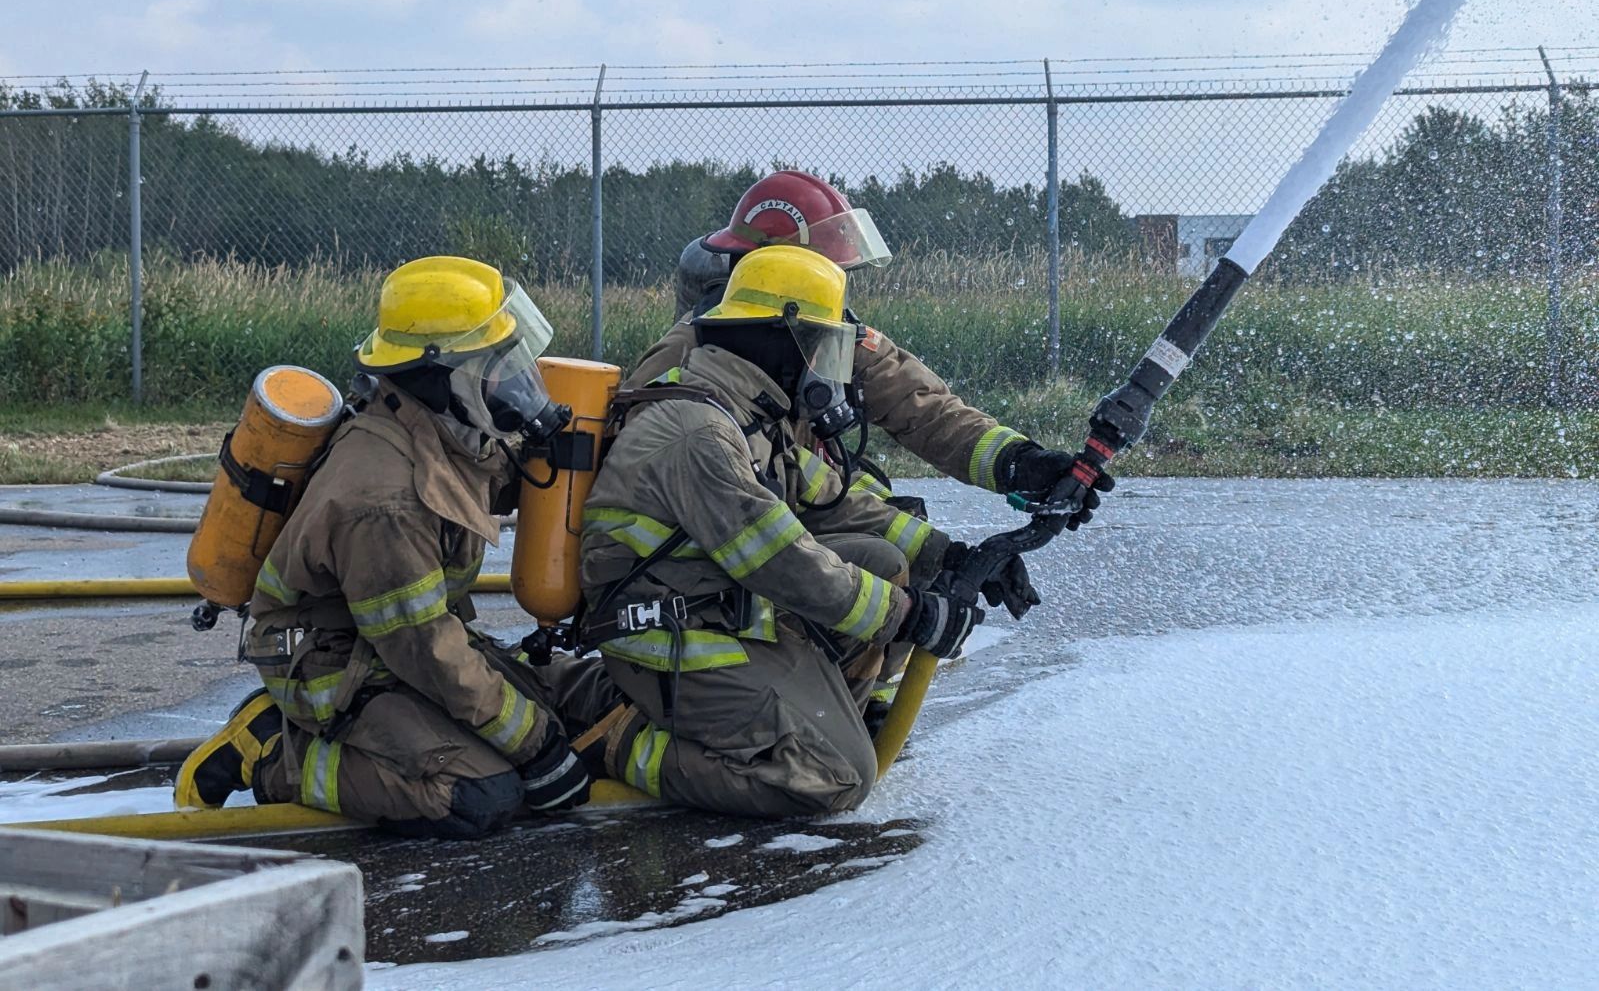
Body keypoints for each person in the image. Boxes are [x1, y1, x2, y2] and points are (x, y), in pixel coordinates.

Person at [638, 170, 1110, 727]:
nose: (842, 291)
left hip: (790, 506)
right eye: (830, 273)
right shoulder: (693, 353)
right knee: (884, 559)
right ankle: (807, 702)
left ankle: (855, 694)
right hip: (719, 540)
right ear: (781, 269)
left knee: (893, 520)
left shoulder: (820, 327)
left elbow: (922, 406)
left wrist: (1020, 464)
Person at [577, 244, 1021, 818]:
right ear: (781, 337)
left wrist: (953, 556)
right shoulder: (700, 431)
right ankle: (614, 736)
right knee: (837, 778)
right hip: (669, 638)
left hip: (715, 605)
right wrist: (910, 616)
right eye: (823, 346)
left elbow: (836, 505)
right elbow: (779, 559)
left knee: (880, 561)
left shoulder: (750, 412)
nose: (829, 367)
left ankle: (811, 724)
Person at [175, 256, 593, 837]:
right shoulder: (383, 502)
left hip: (387, 646)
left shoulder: (434, 423)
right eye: (491, 366)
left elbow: (491, 477)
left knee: (550, 721)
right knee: (478, 793)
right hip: (334, 664)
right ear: (439, 375)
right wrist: (537, 748)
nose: (508, 382)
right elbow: (424, 648)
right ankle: (270, 750)